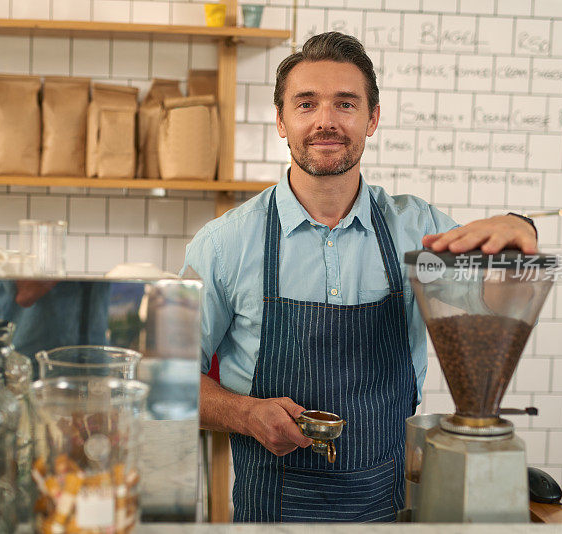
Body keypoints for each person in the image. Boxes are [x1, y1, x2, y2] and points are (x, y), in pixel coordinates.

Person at [180, 32, 538, 522]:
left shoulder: (421, 231)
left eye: (345, 104)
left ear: (372, 120)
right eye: (306, 104)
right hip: (270, 514)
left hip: (388, 511)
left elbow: (498, 297)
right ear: (281, 121)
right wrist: (244, 414)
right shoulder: (223, 244)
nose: (326, 120)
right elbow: (166, 379)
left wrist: (521, 227)